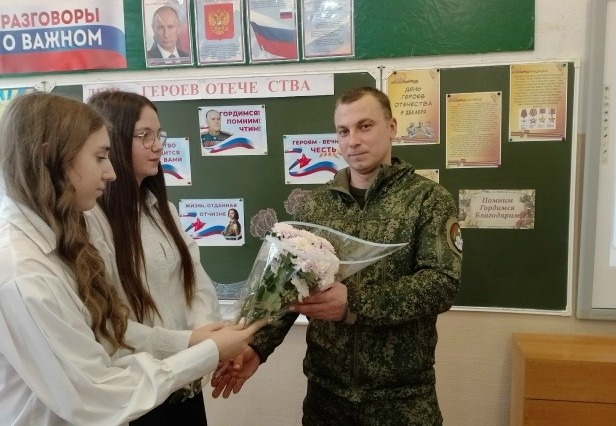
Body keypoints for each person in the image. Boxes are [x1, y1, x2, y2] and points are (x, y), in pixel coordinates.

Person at [0, 91, 262, 425]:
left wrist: (201, 342)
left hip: (156, 384)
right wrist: (204, 350)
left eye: (158, 134)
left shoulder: (61, 238)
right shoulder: (25, 272)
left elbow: (119, 322)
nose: (110, 172)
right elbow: (97, 390)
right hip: (133, 396)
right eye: (100, 156)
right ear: (52, 158)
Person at [213, 86, 463, 425]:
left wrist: (354, 303)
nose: (353, 141)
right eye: (343, 131)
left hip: (402, 402)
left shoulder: (428, 200)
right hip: (327, 399)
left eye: (365, 126)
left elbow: (441, 285)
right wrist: (257, 347)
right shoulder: (317, 206)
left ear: (391, 127)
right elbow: (289, 289)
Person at [86, 90, 223, 425]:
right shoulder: (91, 222)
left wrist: (208, 337)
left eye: (159, 134)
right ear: (113, 142)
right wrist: (192, 343)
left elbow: (196, 284)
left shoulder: (162, 210)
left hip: (185, 383)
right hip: (140, 394)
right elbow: (111, 325)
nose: (158, 145)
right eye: (144, 136)